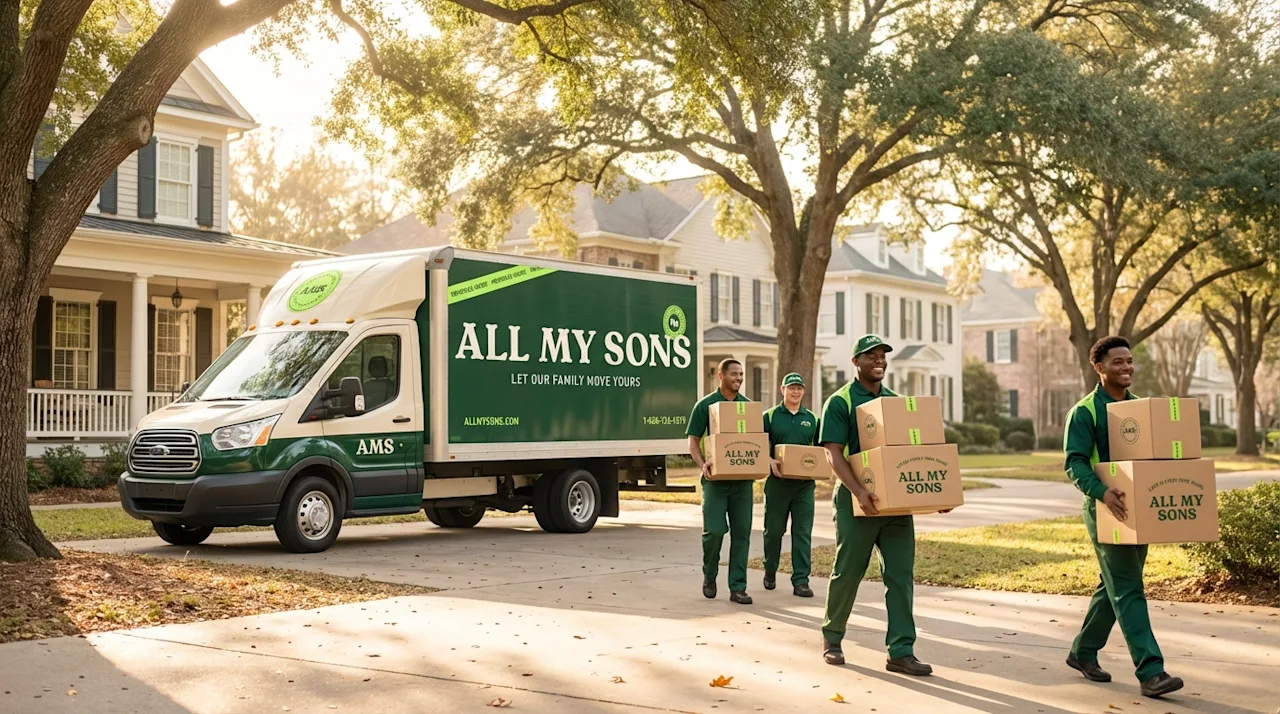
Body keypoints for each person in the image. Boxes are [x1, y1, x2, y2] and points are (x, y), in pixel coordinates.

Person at [1063, 336, 1184, 699]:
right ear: (1099, 367)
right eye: (1118, 362)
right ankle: (1151, 671)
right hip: (1105, 509)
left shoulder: (1141, 410)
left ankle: (1083, 651)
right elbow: (1074, 462)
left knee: (1114, 585)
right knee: (1129, 587)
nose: (1126, 367)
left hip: (1140, 507)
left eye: (1129, 361)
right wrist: (1102, 492)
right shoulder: (1085, 411)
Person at [818, 335, 933, 677]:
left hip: (895, 504)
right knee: (848, 571)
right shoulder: (840, 402)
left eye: (883, 355)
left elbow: (909, 455)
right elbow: (833, 453)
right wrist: (857, 492)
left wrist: (933, 495)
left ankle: (901, 650)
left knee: (900, 577)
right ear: (855, 362)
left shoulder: (896, 403)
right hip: (856, 500)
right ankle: (832, 638)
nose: (879, 360)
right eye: (871, 355)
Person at [686, 358, 754, 605]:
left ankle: (738, 587)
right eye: (734, 374)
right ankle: (709, 575)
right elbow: (693, 440)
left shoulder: (747, 407)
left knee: (742, 534)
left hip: (742, 483)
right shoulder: (705, 405)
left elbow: (756, 441)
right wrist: (702, 464)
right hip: (715, 481)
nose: (738, 378)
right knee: (714, 532)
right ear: (720, 375)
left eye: (741, 374)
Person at [762, 372, 820, 598]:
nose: (795, 392)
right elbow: (757, 444)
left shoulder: (812, 419)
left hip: (804, 486)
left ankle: (801, 581)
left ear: (803, 391)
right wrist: (767, 459)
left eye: (799, 388)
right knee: (774, 532)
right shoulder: (769, 416)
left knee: (802, 533)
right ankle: (769, 570)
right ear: (782, 389)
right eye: (791, 387)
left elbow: (821, 449)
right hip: (778, 483)